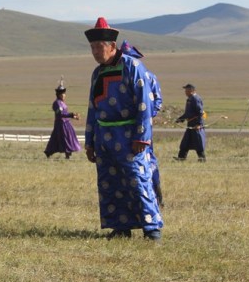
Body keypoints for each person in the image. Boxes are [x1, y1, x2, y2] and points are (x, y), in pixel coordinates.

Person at [83, 18, 163, 241]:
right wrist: (89, 142)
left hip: (130, 136)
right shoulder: (97, 73)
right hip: (104, 137)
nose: (96, 52)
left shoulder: (133, 67)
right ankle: (120, 227)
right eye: (92, 48)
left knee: (138, 179)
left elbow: (144, 106)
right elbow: (92, 108)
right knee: (110, 182)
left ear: (111, 46)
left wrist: (142, 137)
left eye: (99, 47)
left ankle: (152, 228)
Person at [120, 40, 165, 207]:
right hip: (122, 128)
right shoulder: (116, 76)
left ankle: (156, 195)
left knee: (147, 158)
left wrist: (144, 115)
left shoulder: (148, 76)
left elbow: (157, 101)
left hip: (143, 126)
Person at [43, 79, 82, 159]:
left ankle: (67, 154)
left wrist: (74, 117)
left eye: (64, 94)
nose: (64, 95)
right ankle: (49, 152)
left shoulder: (62, 103)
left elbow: (65, 114)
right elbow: (60, 114)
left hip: (66, 123)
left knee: (66, 138)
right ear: (59, 95)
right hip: (61, 125)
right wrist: (72, 114)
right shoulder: (57, 103)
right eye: (62, 94)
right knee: (62, 139)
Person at [175, 83, 207, 162]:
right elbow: (188, 113)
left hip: (195, 125)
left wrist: (199, 124)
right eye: (185, 90)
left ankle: (202, 159)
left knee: (198, 142)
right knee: (185, 142)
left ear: (192, 91)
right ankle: (181, 158)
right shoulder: (190, 99)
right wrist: (180, 119)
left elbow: (200, 112)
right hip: (190, 124)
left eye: (187, 90)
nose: (185, 92)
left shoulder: (195, 99)